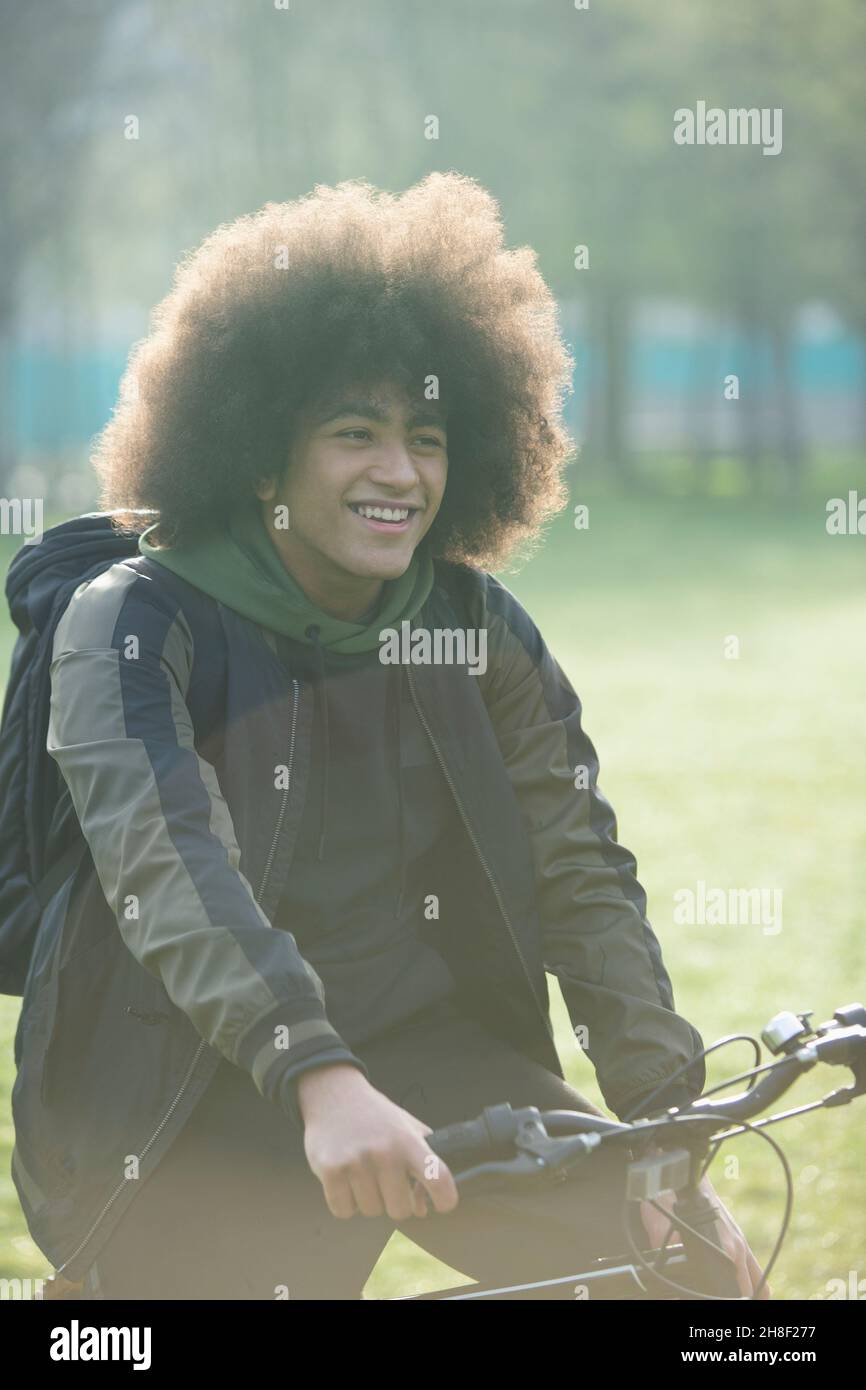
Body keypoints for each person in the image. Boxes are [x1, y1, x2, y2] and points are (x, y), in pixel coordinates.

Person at [13, 172, 768, 1299]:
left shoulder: (469, 622)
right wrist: (315, 1071)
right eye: (353, 433)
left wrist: (659, 1113)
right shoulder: (132, 615)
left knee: (695, 1281)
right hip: (185, 1081)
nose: (399, 472)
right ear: (262, 456)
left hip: (423, 1039)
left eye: (426, 437)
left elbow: (578, 861)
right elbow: (165, 869)